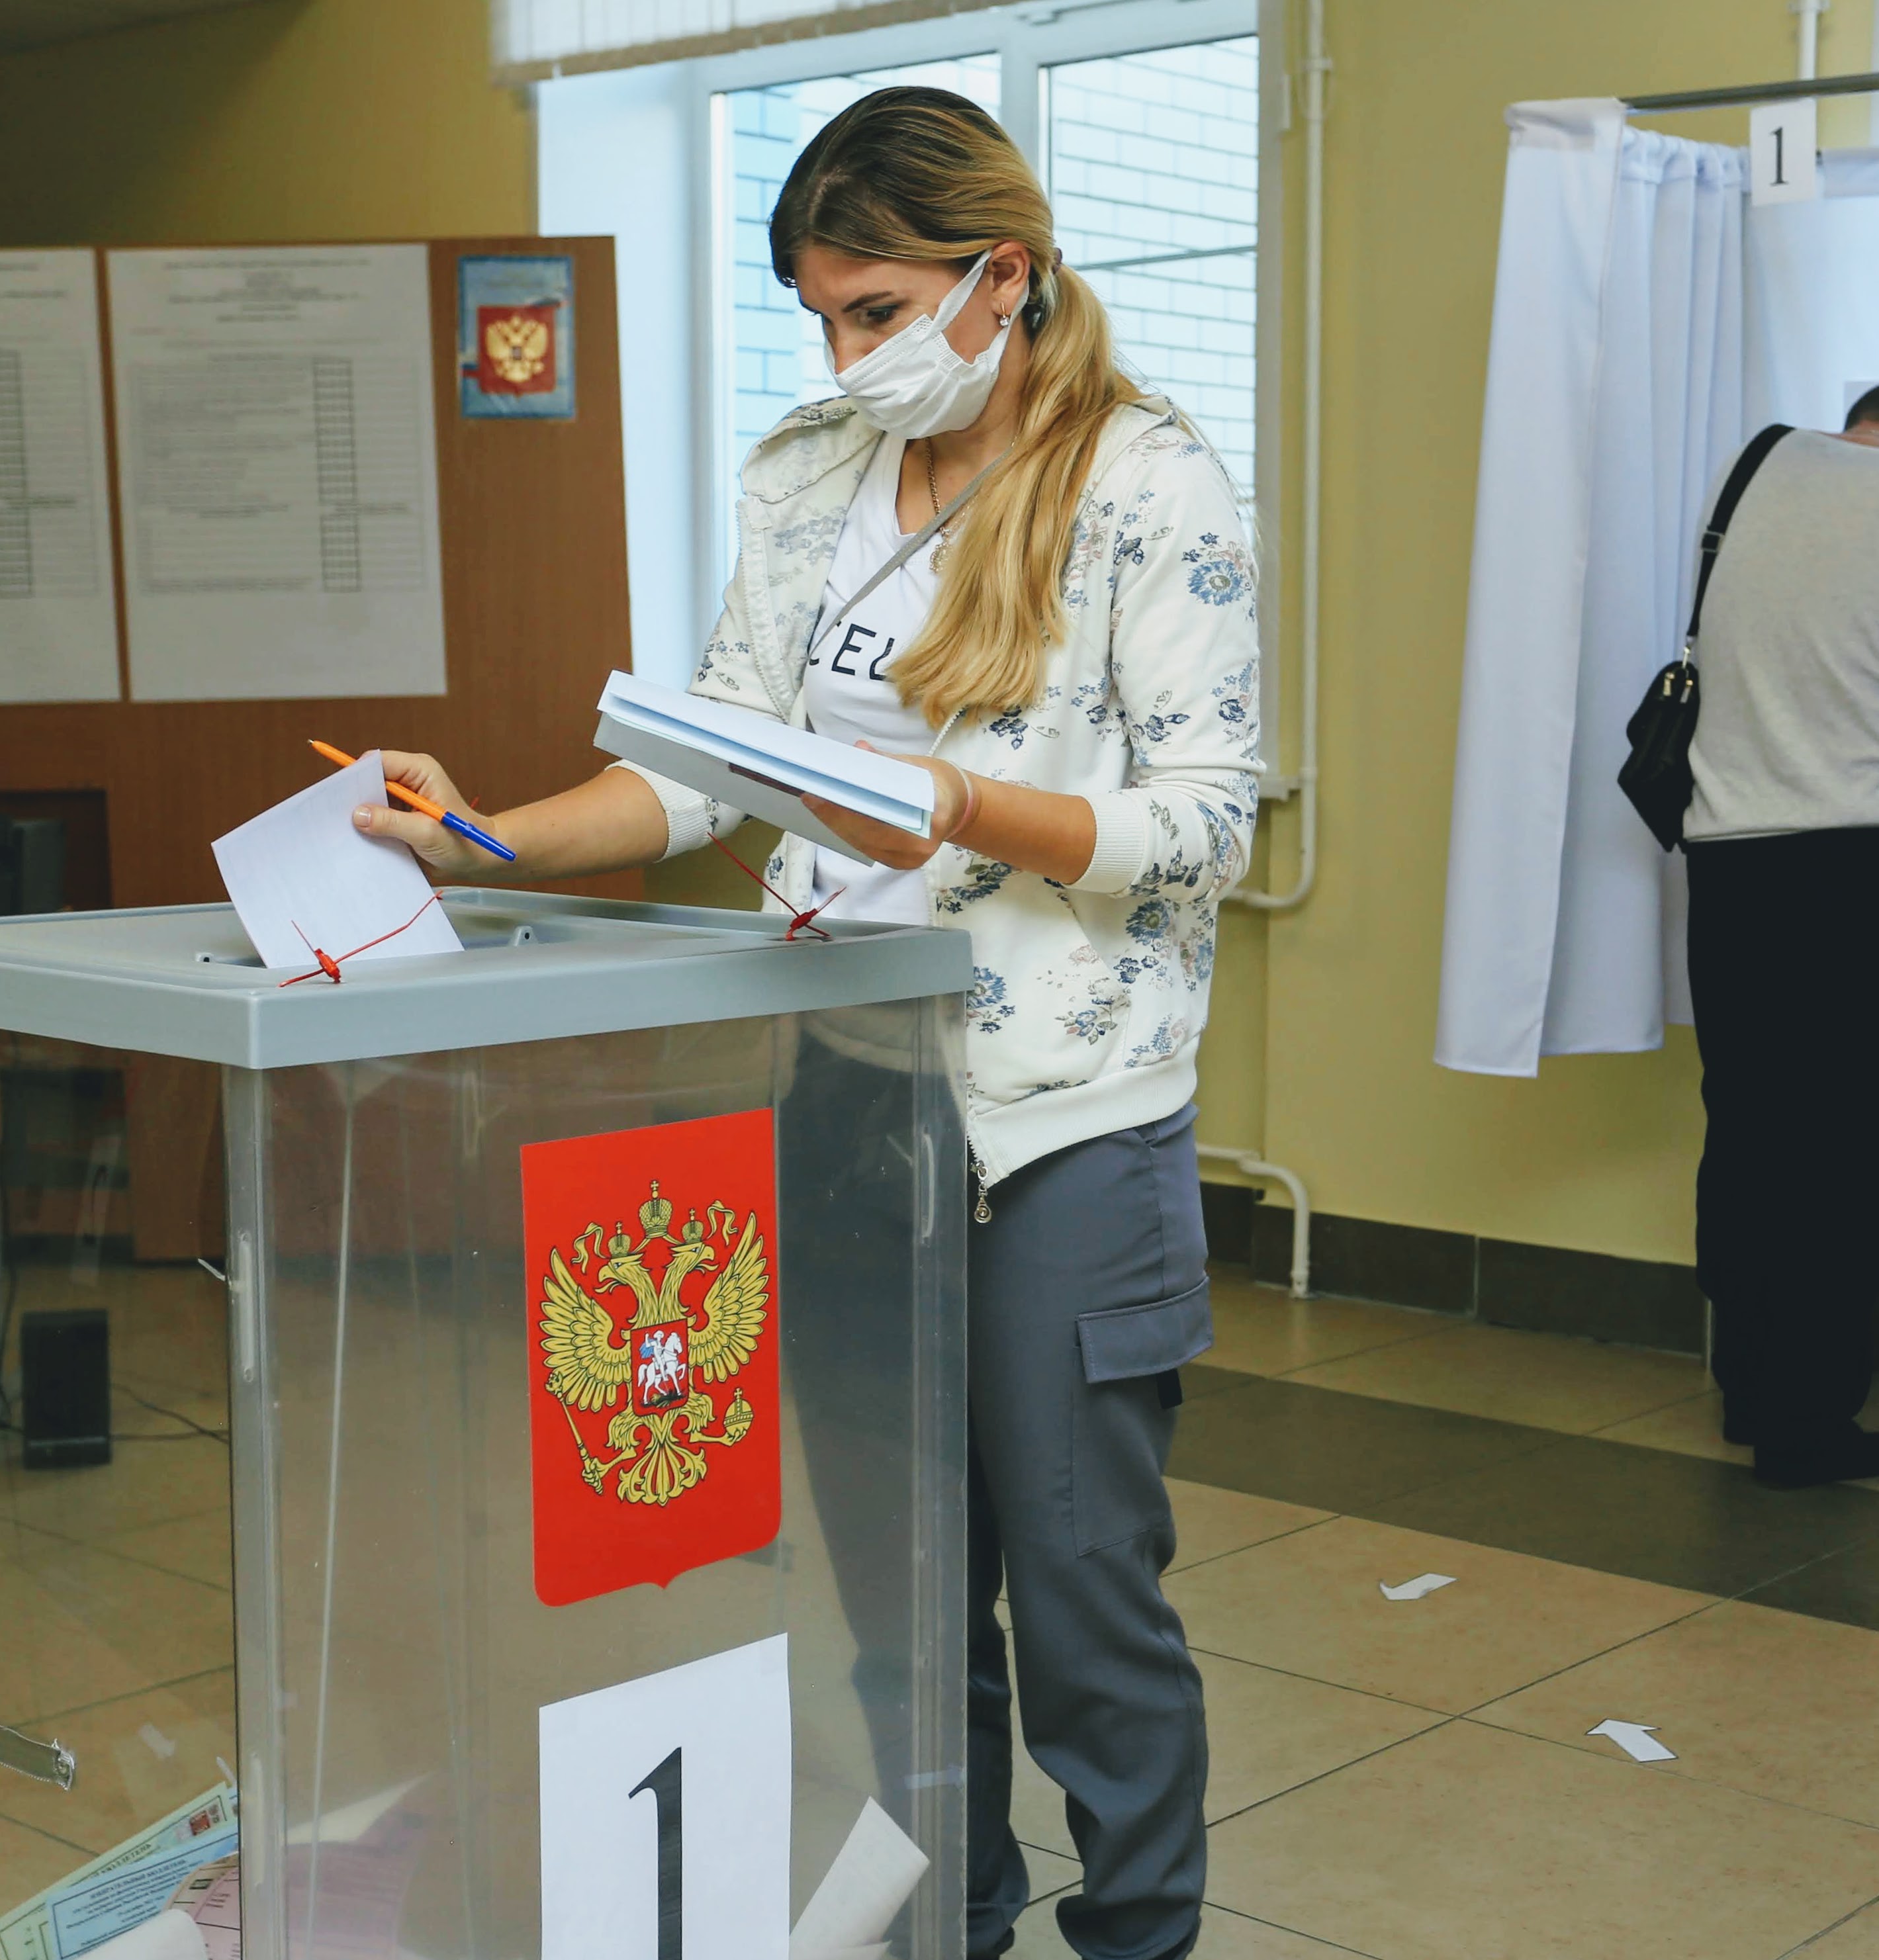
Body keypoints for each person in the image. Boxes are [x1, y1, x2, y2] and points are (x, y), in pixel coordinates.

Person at [358, 88, 1258, 1960]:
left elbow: (1202, 828)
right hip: (843, 1094)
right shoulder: (805, 476)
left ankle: (1140, 1934)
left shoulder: (1147, 482)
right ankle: (955, 1923)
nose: (847, 359)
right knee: (902, 1601)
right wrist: (482, 837)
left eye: (877, 311)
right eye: (820, 316)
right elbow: (700, 765)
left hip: (1059, 1121)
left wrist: (959, 805)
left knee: (1082, 1595)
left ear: (1002, 276)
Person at [1681, 380, 1879, 1490]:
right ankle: (1809, 1424)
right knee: (1847, 1145)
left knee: (1749, 1122)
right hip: (1868, 858)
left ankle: (1749, 1388)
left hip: (1730, 852)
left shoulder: (1752, 467)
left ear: (1855, 424)